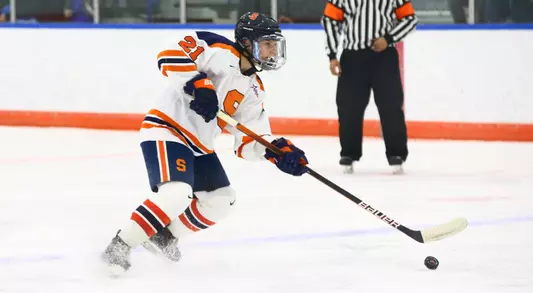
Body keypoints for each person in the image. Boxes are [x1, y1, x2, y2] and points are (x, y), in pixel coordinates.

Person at [101, 12, 309, 276]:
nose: (272, 51)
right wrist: (198, 82)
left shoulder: (255, 89)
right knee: (176, 194)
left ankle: (162, 236)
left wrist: (277, 151)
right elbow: (168, 54)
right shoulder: (217, 50)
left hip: (199, 145)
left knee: (221, 200)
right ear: (247, 42)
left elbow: (248, 141)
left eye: (274, 45)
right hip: (168, 129)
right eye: (267, 44)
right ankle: (118, 247)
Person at [321, 0, 418, 174]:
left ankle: (396, 154)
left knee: (391, 106)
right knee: (348, 107)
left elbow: (410, 19)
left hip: (384, 57)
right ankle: (349, 153)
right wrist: (332, 55)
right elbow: (330, 20)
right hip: (352, 58)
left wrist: (388, 39)